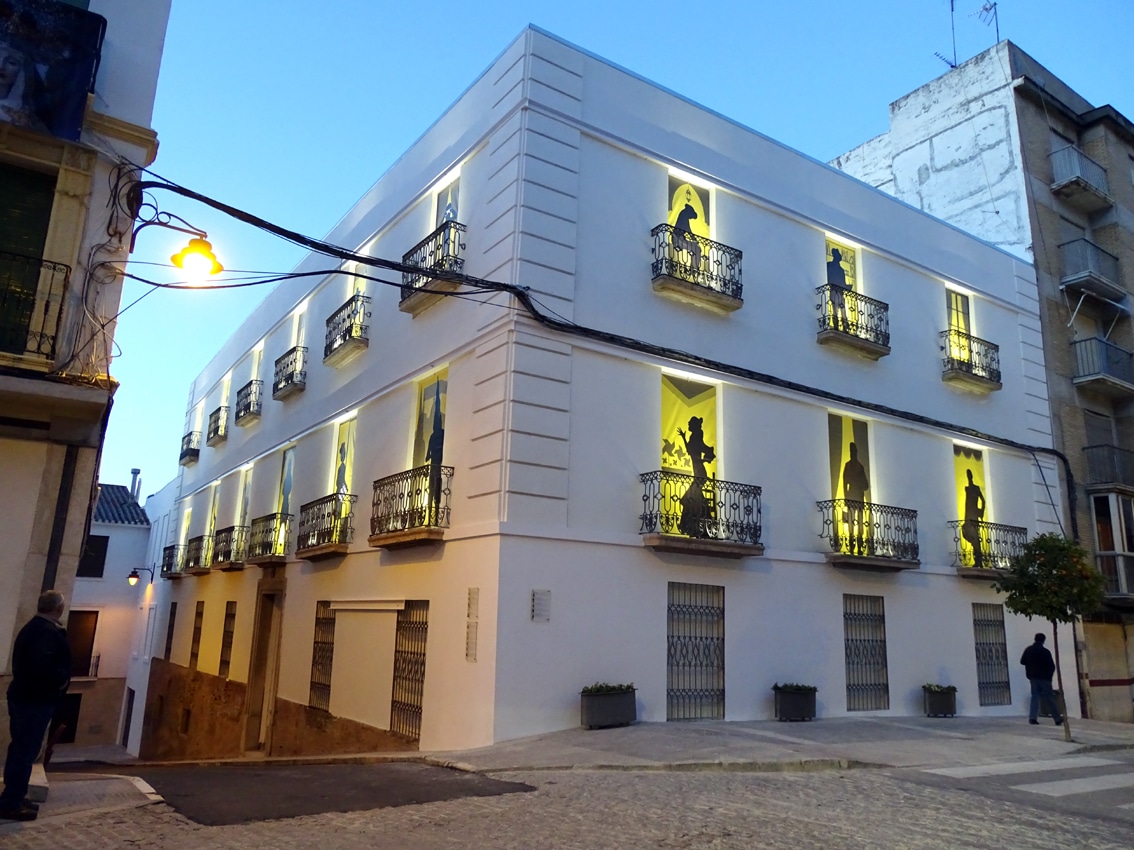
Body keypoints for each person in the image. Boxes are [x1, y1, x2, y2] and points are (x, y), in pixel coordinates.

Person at [0, 590, 71, 821]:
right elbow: (43, 667)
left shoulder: (34, 628)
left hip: (27, 698)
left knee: (22, 749)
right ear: (58, 609)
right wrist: (61, 679)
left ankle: (15, 796)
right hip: (33, 701)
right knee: (24, 750)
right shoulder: (45, 632)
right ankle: (11, 802)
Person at [677, 416, 715, 537]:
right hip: (696, 469)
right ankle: (703, 521)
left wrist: (703, 459)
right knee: (694, 498)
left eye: (690, 424)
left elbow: (700, 448)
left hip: (700, 471)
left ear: (694, 425)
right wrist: (683, 437)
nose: (688, 425)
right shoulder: (693, 436)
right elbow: (689, 450)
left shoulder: (697, 434)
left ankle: (696, 522)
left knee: (689, 497)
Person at [1020, 632, 1063, 726]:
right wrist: (1049, 676)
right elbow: (1051, 666)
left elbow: (1022, 661)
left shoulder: (1029, 650)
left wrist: (1030, 666)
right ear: (1043, 640)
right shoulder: (1045, 651)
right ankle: (1057, 718)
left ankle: (1032, 718)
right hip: (1045, 678)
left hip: (1033, 677)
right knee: (1050, 698)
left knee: (1035, 697)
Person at [842, 442, 870, 555]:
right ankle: (853, 543)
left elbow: (866, 485)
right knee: (852, 520)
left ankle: (857, 544)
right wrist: (845, 496)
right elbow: (844, 482)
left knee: (858, 521)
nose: (852, 453)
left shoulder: (857, 466)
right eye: (851, 451)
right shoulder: (850, 465)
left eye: (853, 451)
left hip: (857, 496)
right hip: (853, 496)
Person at [961, 469, 986, 568]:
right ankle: (977, 555)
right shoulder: (966, 488)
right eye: (968, 475)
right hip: (967, 514)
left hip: (974, 515)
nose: (969, 476)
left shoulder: (976, 488)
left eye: (970, 475)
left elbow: (983, 500)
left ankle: (978, 559)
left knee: (975, 537)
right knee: (965, 531)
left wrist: (981, 511)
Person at [826, 248, 852, 333]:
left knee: (842, 308)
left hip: (840, 291)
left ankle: (845, 326)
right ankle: (836, 325)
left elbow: (843, 283)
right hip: (833, 290)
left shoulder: (841, 270)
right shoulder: (829, 265)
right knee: (835, 309)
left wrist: (847, 287)